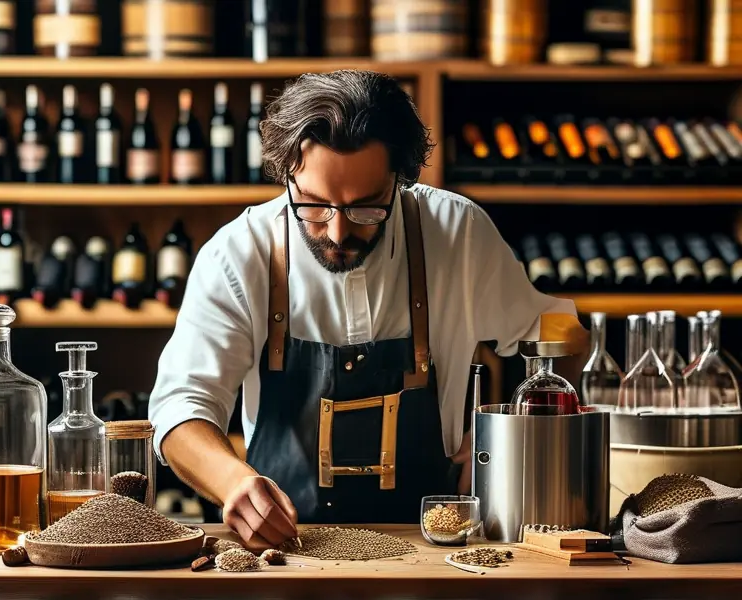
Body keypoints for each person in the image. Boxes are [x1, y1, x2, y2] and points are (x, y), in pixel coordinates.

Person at [148, 69, 589, 551]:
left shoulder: (457, 234)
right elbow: (180, 406)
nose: (338, 232)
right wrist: (231, 481)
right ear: (287, 173)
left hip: (440, 549)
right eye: (314, 205)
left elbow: (558, 334)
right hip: (288, 550)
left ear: (400, 179)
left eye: (367, 207)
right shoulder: (239, 253)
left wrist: (506, 440)